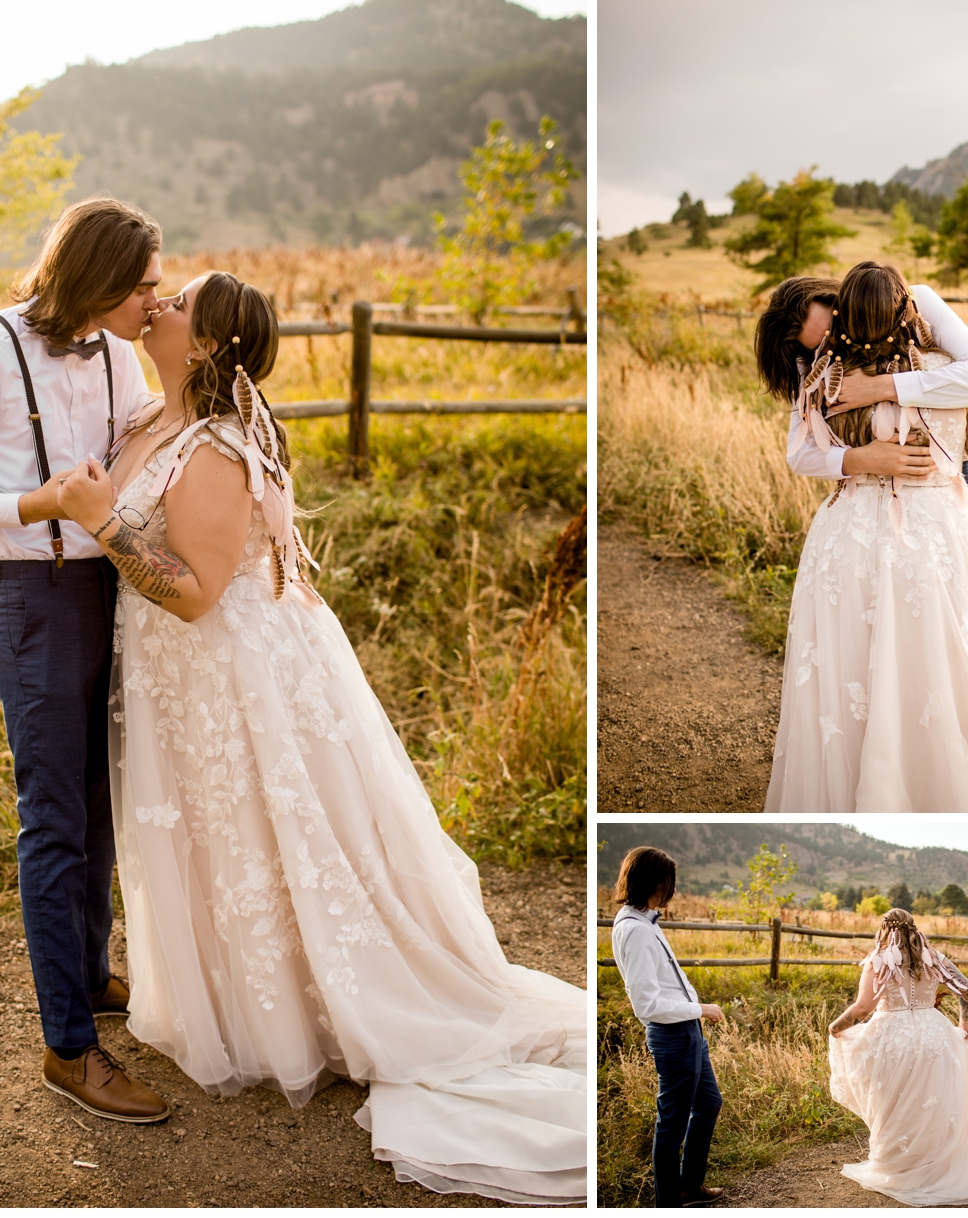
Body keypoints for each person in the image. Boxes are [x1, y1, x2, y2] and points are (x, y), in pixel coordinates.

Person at [52, 271, 587, 1202]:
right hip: (183, 683)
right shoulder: (147, 422)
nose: (160, 306)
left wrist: (101, 523)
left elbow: (193, 593)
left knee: (270, 832)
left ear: (212, 344)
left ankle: (314, 1006)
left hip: (225, 673)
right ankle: (243, 998)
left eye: (180, 303)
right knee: (227, 838)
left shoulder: (216, 449)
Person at [0, 197, 163, 1123]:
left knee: (99, 808)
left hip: (115, 593)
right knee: (54, 818)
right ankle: (68, 1047)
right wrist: (38, 503)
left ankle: (90, 977)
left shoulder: (119, 351)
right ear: (95, 280)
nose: (154, 301)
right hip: (35, 604)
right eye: (142, 287)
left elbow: (139, 438)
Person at [756, 261, 968, 811]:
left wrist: (881, 385)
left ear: (838, 301)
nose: (829, 344)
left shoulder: (919, 305)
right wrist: (860, 457)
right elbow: (802, 450)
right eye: (816, 345)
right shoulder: (825, 370)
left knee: (947, 646)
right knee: (875, 658)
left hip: (942, 496)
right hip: (866, 515)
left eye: (828, 328)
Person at [826, 908, 968, 1204]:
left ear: (885, 930)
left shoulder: (878, 962)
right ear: (914, 927)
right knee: (933, 1103)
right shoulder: (934, 959)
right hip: (934, 1036)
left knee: (894, 1102)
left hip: (893, 1039)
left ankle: (900, 1169)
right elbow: (967, 990)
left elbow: (863, 1008)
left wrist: (835, 1026)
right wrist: (964, 1022)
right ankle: (934, 1169)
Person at [608, 846, 725, 1208]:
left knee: (708, 1103)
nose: (670, 892)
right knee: (672, 1124)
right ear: (654, 883)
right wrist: (700, 1008)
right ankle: (668, 1203)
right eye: (668, 883)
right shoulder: (637, 932)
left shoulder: (643, 922)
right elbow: (647, 1004)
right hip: (674, 1036)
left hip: (687, 1034)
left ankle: (689, 1186)